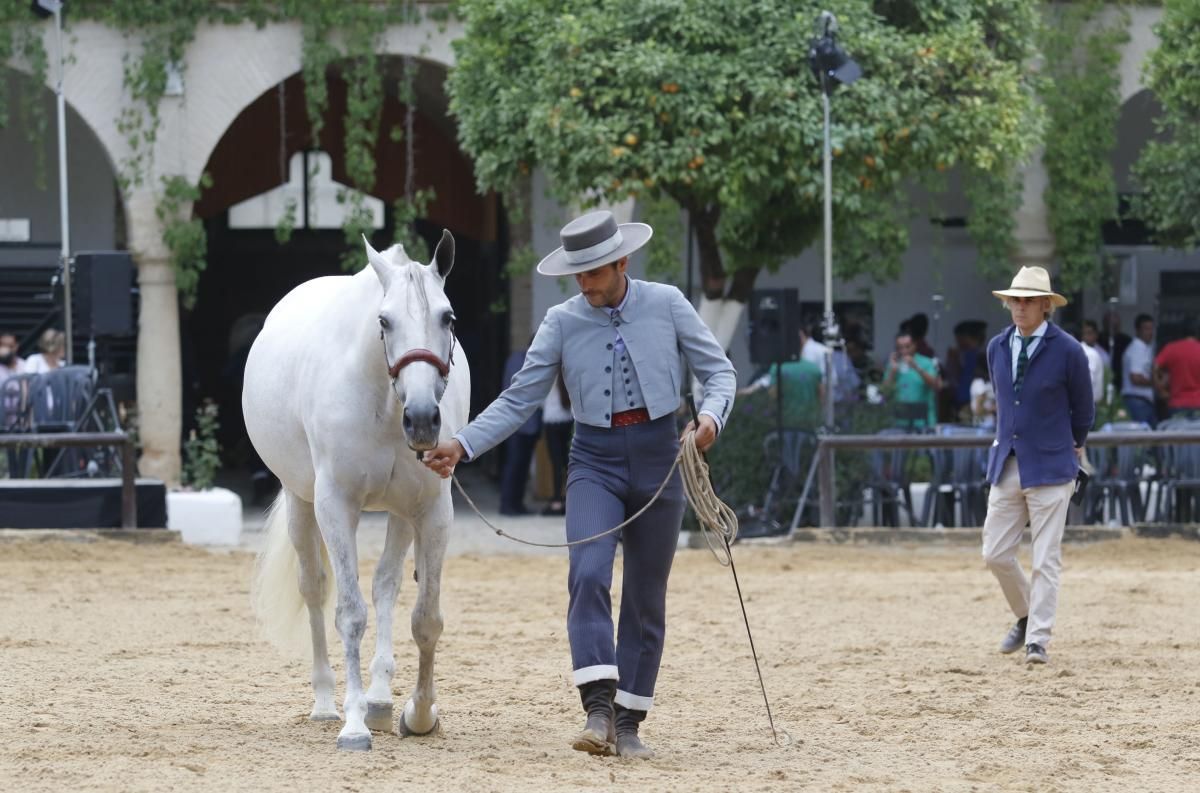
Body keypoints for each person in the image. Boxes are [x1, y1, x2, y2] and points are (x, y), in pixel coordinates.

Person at [420, 210, 736, 759]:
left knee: (644, 596)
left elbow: (720, 372)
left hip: (663, 457)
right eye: (577, 275)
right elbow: (520, 398)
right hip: (594, 459)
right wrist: (463, 444)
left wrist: (710, 418)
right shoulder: (561, 322)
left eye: (593, 273)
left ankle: (630, 722)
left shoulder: (668, 304)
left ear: (621, 263)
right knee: (587, 573)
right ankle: (597, 709)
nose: (584, 283)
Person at [982, 266, 1093, 666]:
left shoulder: (1068, 350)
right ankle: (1027, 615)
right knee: (995, 552)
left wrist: (1075, 445)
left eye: (1028, 300)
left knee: (1046, 557)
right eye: (1015, 299)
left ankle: (1038, 640)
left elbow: (1084, 409)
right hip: (1008, 462)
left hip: (1052, 462)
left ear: (1046, 306)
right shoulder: (997, 346)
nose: (1019, 307)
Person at [498, 342, 542, 515]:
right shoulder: (518, 360)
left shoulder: (528, 359)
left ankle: (517, 504)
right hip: (516, 424)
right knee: (514, 465)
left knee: (522, 466)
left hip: (531, 424)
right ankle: (507, 505)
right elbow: (519, 390)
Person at [883, 331, 941, 428]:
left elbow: (937, 385)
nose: (904, 351)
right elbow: (884, 392)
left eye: (907, 346)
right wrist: (892, 372)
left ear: (915, 345)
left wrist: (916, 367)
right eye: (900, 347)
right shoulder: (893, 364)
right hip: (899, 422)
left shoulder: (926, 362)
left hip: (923, 422)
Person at [1153, 318, 1200, 419]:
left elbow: (1154, 368)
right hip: (1198, 404)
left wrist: (1161, 390)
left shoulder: (1171, 349)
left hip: (1177, 403)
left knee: (1178, 434)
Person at [540, 374, 572, 515]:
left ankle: (556, 501)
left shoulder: (549, 376)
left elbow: (540, 400)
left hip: (551, 419)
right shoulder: (566, 375)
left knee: (556, 462)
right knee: (567, 461)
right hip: (567, 419)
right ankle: (567, 498)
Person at [1120, 314, 1156, 427]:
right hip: (1137, 401)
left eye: (1151, 328)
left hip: (1143, 401)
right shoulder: (1137, 348)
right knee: (1143, 440)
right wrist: (1155, 384)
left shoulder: (1146, 347)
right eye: (1146, 329)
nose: (1150, 332)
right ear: (1137, 330)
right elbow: (1135, 377)